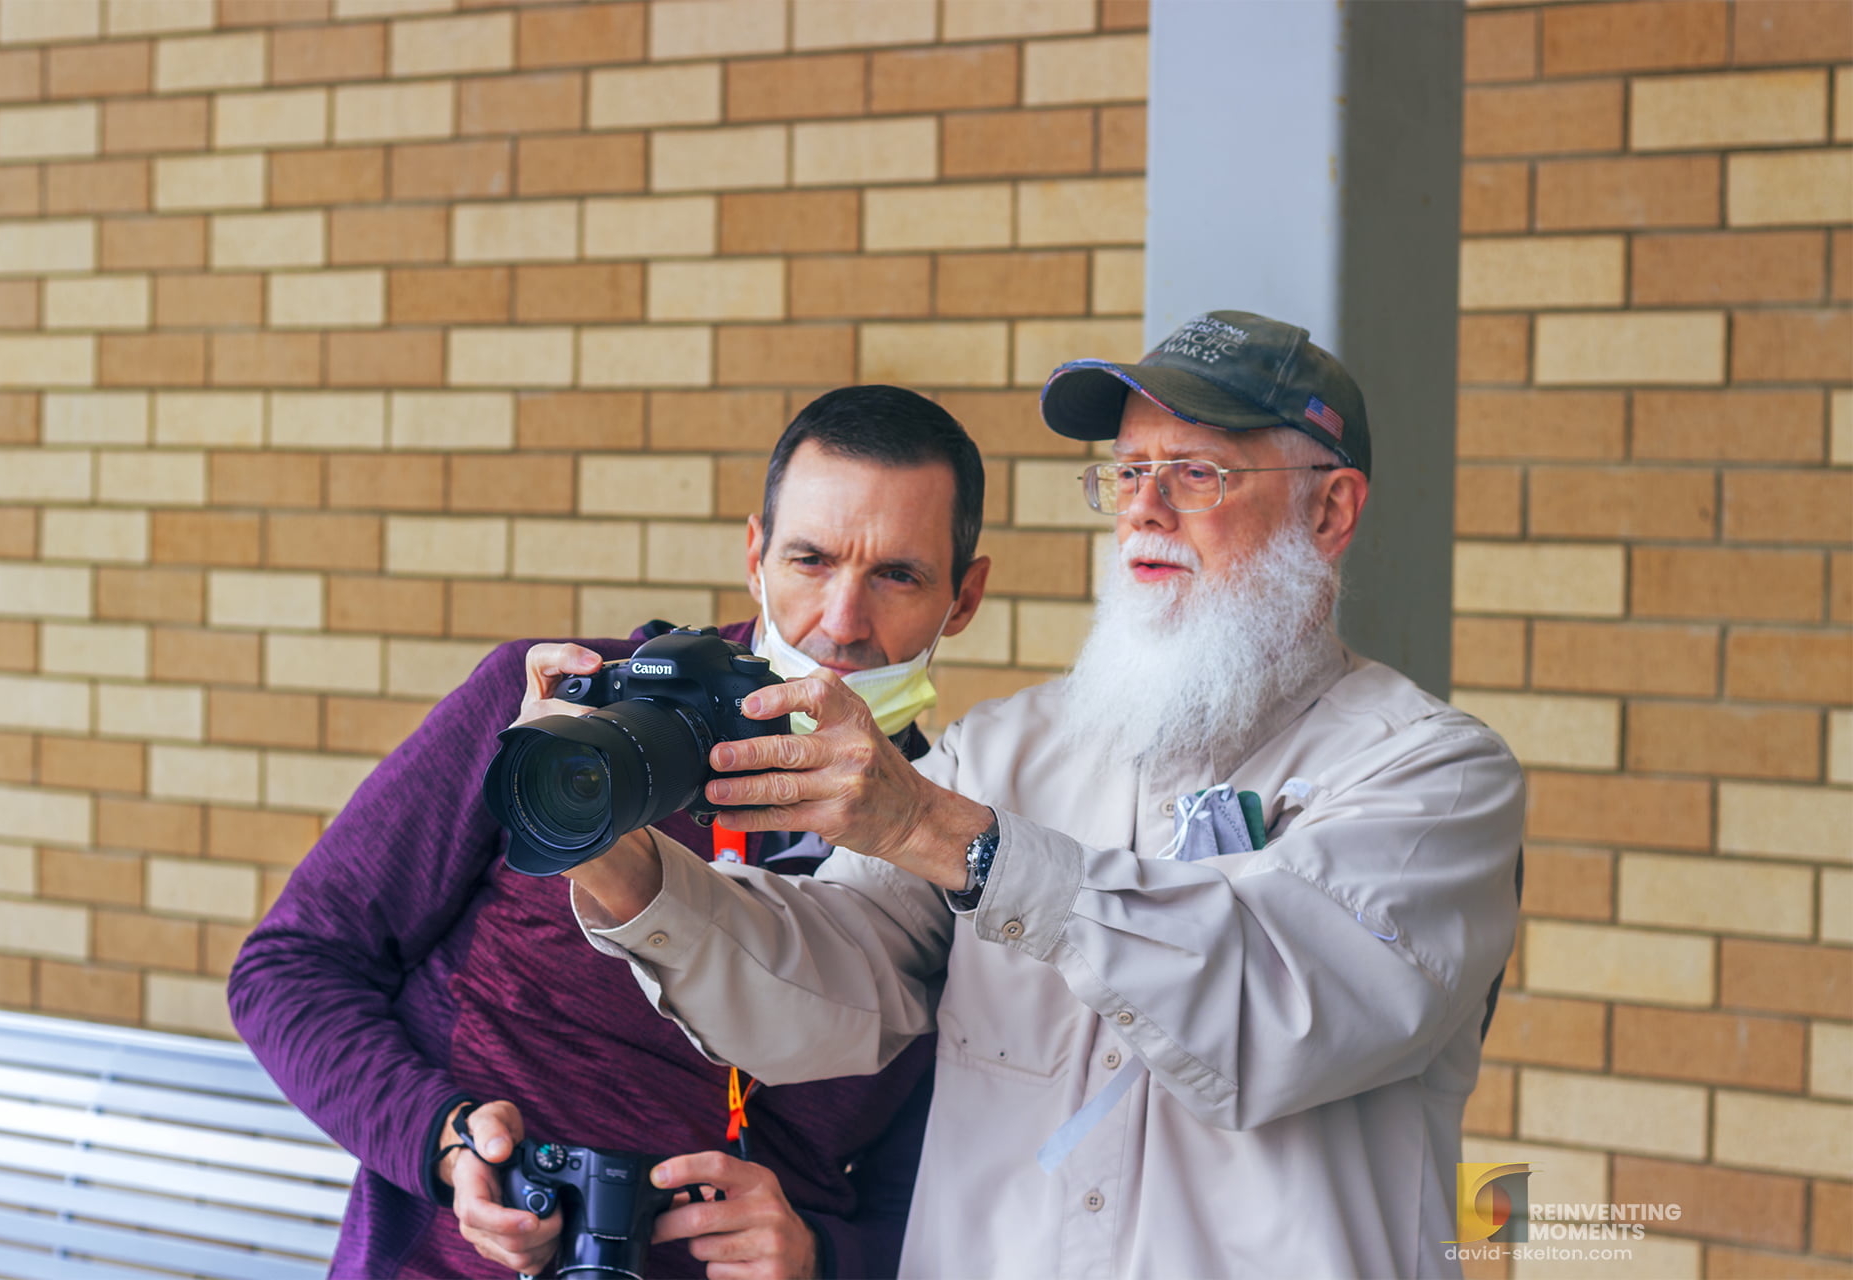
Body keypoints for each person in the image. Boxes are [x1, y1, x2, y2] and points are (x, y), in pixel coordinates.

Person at [548, 312, 1525, 1278]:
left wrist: (941, 831)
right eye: (1128, 471)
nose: (1145, 506)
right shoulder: (1007, 749)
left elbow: (1273, 1014)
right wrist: (616, 858)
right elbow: (826, 994)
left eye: (1197, 472)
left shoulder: (1433, 777)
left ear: (1330, 510)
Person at [228, 384, 991, 1279]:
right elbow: (289, 965)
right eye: (810, 561)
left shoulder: (955, 845)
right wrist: (443, 1142)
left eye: (897, 575)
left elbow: (933, 1192)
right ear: (755, 555)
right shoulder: (553, 720)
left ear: (965, 596)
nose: (840, 623)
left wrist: (825, 1255)